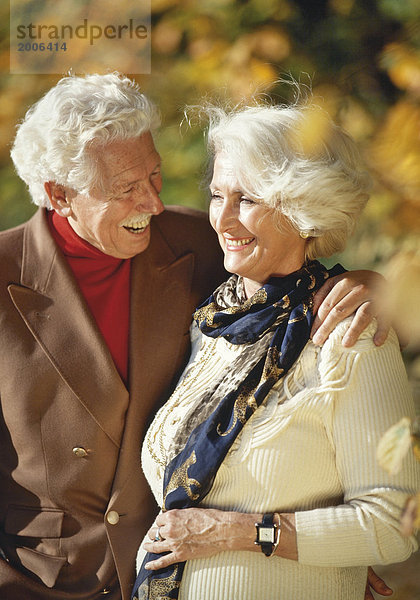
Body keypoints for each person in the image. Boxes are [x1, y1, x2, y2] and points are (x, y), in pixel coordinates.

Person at [0, 72, 390, 600]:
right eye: (127, 189)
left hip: (187, 572)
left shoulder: (200, 243)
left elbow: (293, 284)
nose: (154, 204)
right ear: (59, 194)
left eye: (155, 176)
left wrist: (367, 286)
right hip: (41, 581)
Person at [134, 101, 419, 600]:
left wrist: (241, 534)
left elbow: (397, 522)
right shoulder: (211, 322)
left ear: (304, 207)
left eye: (248, 199)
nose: (222, 219)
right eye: (217, 194)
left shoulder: (350, 337)